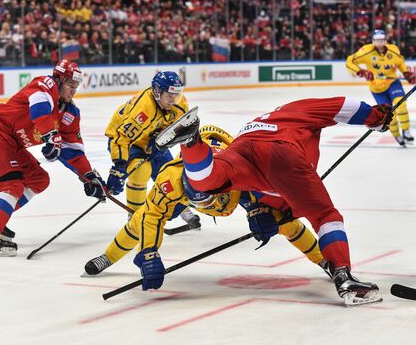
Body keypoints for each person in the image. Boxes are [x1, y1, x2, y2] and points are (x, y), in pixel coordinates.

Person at [156, 97, 393, 306]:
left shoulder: (264, 118)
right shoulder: (299, 109)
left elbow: (268, 186)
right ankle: (344, 276)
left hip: (244, 144)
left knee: (209, 181)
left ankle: (190, 142)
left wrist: (260, 209)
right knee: (324, 216)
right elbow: (345, 105)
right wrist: (376, 117)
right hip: (281, 150)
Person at [85, 125, 331, 285]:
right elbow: (152, 217)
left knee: (285, 222)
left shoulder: (236, 169)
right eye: (199, 201)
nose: (207, 205)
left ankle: (324, 260)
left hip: (232, 181)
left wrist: (261, 209)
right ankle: (108, 256)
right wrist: (149, 253)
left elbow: (271, 187)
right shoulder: (171, 180)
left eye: (209, 198)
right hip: (203, 179)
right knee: (141, 218)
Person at [0, 59, 106, 257]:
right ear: (59, 80)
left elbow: (74, 152)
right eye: (70, 85)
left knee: (38, 179)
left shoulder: (70, 114)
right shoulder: (46, 84)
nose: (73, 91)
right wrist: (51, 136)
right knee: (12, 184)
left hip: (11, 143)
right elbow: (40, 110)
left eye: (76, 86)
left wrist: (89, 176)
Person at [104, 71, 200, 230]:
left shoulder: (179, 103)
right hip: (128, 142)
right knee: (141, 171)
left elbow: (179, 128)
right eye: (169, 95)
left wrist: (162, 144)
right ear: (157, 91)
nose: (173, 100)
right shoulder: (143, 108)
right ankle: (134, 218)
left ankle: (182, 209)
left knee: (171, 174)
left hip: (154, 141)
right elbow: (122, 138)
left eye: (176, 95)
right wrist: (119, 167)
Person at [346, 29, 416, 146]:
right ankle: (397, 135)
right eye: (377, 40)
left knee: (400, 104)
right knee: (389, 115)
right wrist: (360, 71)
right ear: (373, 41)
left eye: (382, 40)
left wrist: (406, 73)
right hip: (377, 89)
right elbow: (350, 61)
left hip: (392, 82)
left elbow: (400, 62)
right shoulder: (366, 50)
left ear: (386, 40)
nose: (379, 43)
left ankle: (406, 131)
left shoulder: (393, 49)